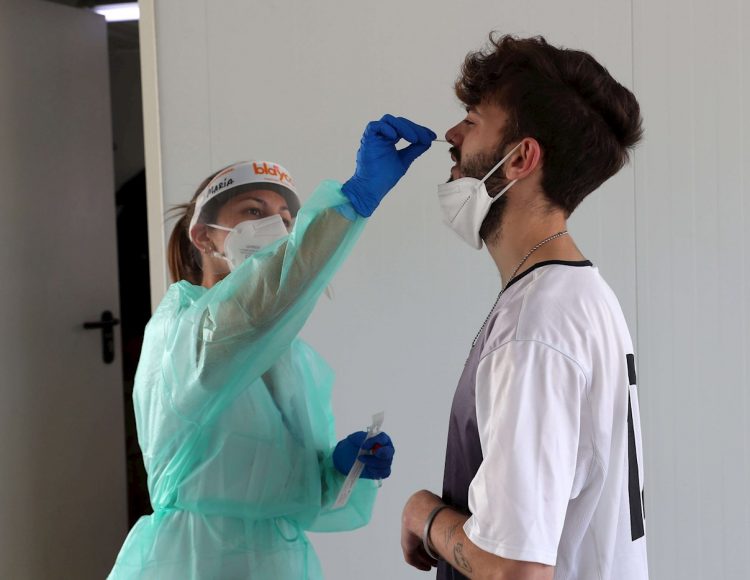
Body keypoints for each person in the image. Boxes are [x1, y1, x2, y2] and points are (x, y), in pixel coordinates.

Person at [108, 115, 436, 579]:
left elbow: (305, 501)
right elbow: (264, 297)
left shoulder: (292, 359)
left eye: (286, 219)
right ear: (202, 235)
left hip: (281, 561)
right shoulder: (183, 334)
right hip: (195, 562)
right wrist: (352, 202)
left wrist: (343, 472)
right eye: (253, 211)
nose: (275, 226)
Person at [400, 35, 648, 579]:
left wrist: (424, 515)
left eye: (472, 118)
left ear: (519, 158)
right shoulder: (578, 297)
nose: (452, 136)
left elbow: (517, 572)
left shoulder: (537, 324)